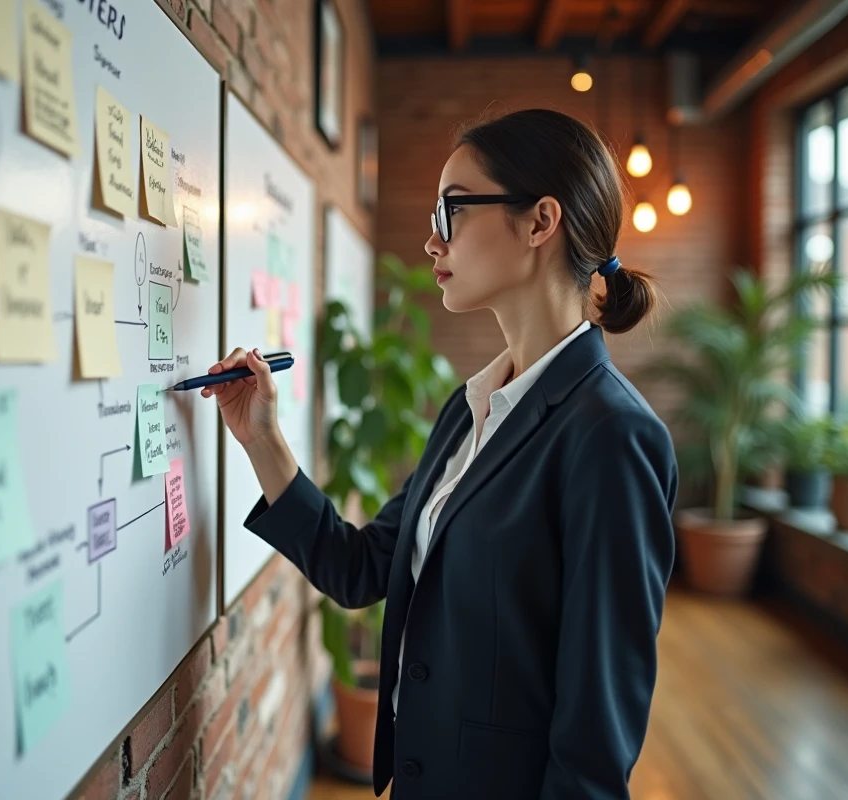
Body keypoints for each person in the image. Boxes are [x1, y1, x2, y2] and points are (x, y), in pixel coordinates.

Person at [204, 109, 678, 799]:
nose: (431, 240)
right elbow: (362, 568)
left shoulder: (612, 436)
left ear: (542, 222)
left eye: (452, 210)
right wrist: (262, 440)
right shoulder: (471, 408)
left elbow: (596, 740)